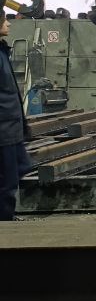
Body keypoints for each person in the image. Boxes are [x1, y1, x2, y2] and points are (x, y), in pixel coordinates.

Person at [0, 12, 32, 221]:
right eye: (4, 20)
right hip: (3, 131)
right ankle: (4, 224)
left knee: (20, 169)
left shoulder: (2, 51)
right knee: (6, 182)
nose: (9, 24)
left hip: (11, 128)